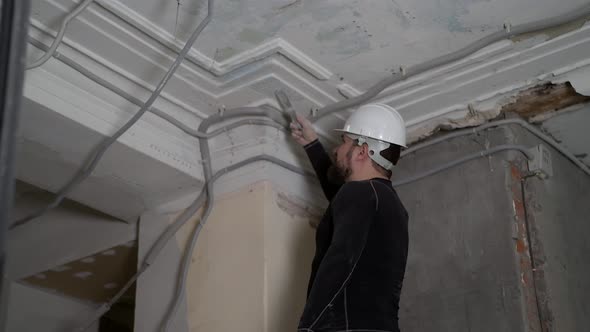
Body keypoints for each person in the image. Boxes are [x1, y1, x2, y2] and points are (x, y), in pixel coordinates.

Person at [290, 104, 409, 332]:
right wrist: (312, 145)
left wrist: (308, 327)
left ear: (362, 151)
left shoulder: (360, 194)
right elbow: (341, 202)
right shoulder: (390, 205)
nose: (336, 150)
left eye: (344, 141)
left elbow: (341, 259)